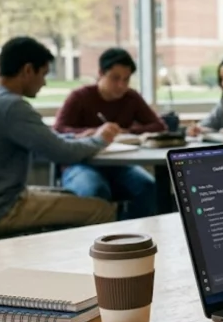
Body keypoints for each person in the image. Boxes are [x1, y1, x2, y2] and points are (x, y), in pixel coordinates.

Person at [0, 37, 119, 234]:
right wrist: (100, 140)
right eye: (44, 74)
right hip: (0, 210)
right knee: (102, 210)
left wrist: (78, 139)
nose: (44, 82)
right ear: (28, 70)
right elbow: (63, 154)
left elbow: (48, 142)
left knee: (72, 195)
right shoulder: (12, 107)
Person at [53, 48, 163, 220]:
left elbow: (158, 126)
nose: (121, 85)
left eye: (126, 80)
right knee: (95, 189)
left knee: (147, 187)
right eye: (115, 78)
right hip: (81, 163)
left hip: (119, 164)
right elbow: (58, 129)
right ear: (100, 74)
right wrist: (89, 133)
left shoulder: (131, 98)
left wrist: (128, 131)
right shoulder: (80, 97)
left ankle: (132, 239)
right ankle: (101, 243)